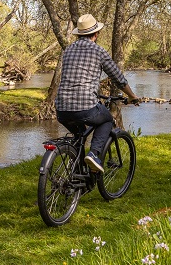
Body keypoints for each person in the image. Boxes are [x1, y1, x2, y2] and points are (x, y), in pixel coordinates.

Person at [56, 13, 140, 174]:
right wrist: (132, 96)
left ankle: (77, 173)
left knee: (79, 135)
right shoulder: (98, 51)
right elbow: (118, 79)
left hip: (61, 107)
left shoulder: (68, 50)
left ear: (79, 34)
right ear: (96, 34)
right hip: (85, 106)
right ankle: (94, 155)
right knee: (106, 119)